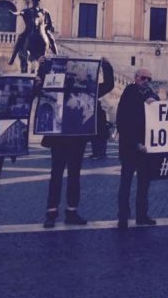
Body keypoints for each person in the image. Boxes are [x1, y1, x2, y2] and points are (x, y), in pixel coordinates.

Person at [42, 57, 114, 228]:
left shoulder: (88, 90)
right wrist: (43, 65)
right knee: (56, 176)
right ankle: (51, 213)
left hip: (77, 138)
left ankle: (71, 212)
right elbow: (40, 87)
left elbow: (109, 85)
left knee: (74, 176)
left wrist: (106, 65)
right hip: (59, 137)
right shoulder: (56, 90)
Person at [117, 67, 157, 229]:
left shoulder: (151, 95)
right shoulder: (128, 94)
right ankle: (123, 216)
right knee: (125, 183)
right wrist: (135, 144)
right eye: (143, 78)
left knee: (144, 184)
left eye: (149, 79)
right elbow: (123, 122)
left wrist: (154, 101)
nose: (146, 81)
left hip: (145, 148)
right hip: (129, 147)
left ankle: (142, 215)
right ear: (135, 78)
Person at [8, 0, 57, 66]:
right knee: (20, 38)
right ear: (32, 2)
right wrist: (13, 13)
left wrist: (51, 26)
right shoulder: (28, 11)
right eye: (34, 2)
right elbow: (20, 13)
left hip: (42, 29)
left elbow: (49, 21)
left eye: (36, 2)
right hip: (29, 30)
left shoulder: (44, 11)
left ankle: (57, 56)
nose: (35, 3)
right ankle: (12, 59)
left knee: (51, 38)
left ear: (39, 3)